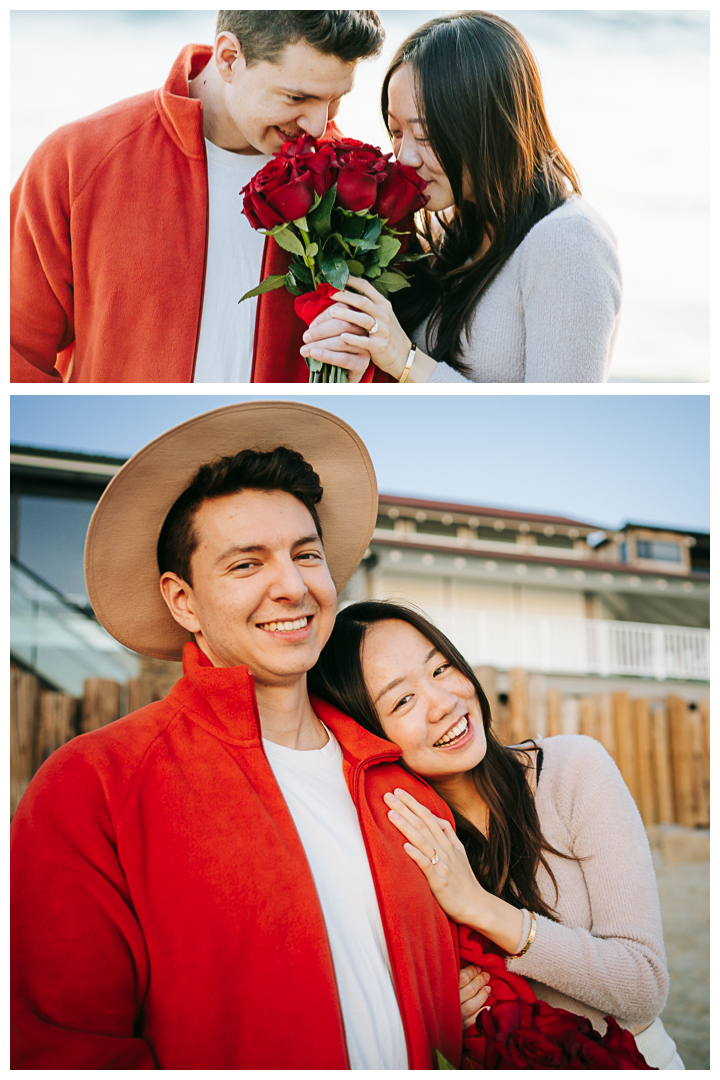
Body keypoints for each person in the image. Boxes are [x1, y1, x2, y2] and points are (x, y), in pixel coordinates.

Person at [10, 403, 491, 1069]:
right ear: (183, 601)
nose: (291, 586)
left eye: (305, 555)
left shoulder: (397, 779)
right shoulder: (94, 783)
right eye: (246, 565)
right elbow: (66, 1047)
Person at [309, 600, 685, 1070]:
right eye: (402, 700)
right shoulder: (404, 840)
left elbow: (643, 985)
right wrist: (448, 1010)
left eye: (441, 668)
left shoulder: (572, 772)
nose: (444, 702)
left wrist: (481, 908)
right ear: (369, 734)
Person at [10, 11, 384, 383]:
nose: (318, 126)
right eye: (296, 97)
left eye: (335, 99)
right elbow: (13, 354)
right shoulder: (78, 160)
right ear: (229, 59)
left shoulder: (360, 187)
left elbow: (394, 362)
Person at [300, 11, 623, 383]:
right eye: (395, 131)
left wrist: (405, 361)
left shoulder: (568, 243)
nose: (403, 157)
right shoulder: (451, 234)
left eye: (424, 135)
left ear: (488, 126)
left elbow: (558, 428)